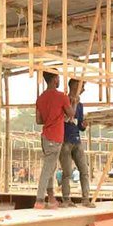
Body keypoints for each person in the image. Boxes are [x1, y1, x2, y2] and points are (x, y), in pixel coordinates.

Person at [34, 71, 75, 210]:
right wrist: (74, 102)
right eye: (58, 78)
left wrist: (52, 117)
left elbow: (39, 120)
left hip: (45, 136)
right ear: (54, 79)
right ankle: (39, 200)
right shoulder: (61, 97)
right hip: (55, 137)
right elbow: (71, 114)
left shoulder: (40, 98)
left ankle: (51, 198)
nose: (59, 80)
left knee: (50, 168)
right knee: (47, 169)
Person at [61, 79, 94, 207]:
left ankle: (86, 198)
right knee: (67, 172)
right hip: (65, 140)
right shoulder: (64, 102)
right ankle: (66, 199)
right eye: (82, 86)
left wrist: (83, 125)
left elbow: (79, 125)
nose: (83, 89)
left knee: (84, 170)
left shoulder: (80, 105)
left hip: (76, 140)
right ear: (75, 87)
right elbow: (66, 119)